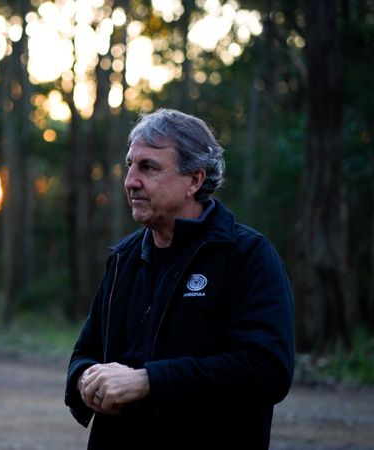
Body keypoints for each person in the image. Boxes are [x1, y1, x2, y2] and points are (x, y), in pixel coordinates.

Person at [65, 108, 294, 449]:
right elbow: (86, 352)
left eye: (149, 167)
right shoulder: (123, 258)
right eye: (130, 165)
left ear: (195, 180)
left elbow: (266, 369)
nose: (131, 181)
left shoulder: (246, 256)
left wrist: (148, 381)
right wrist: (86, 379)